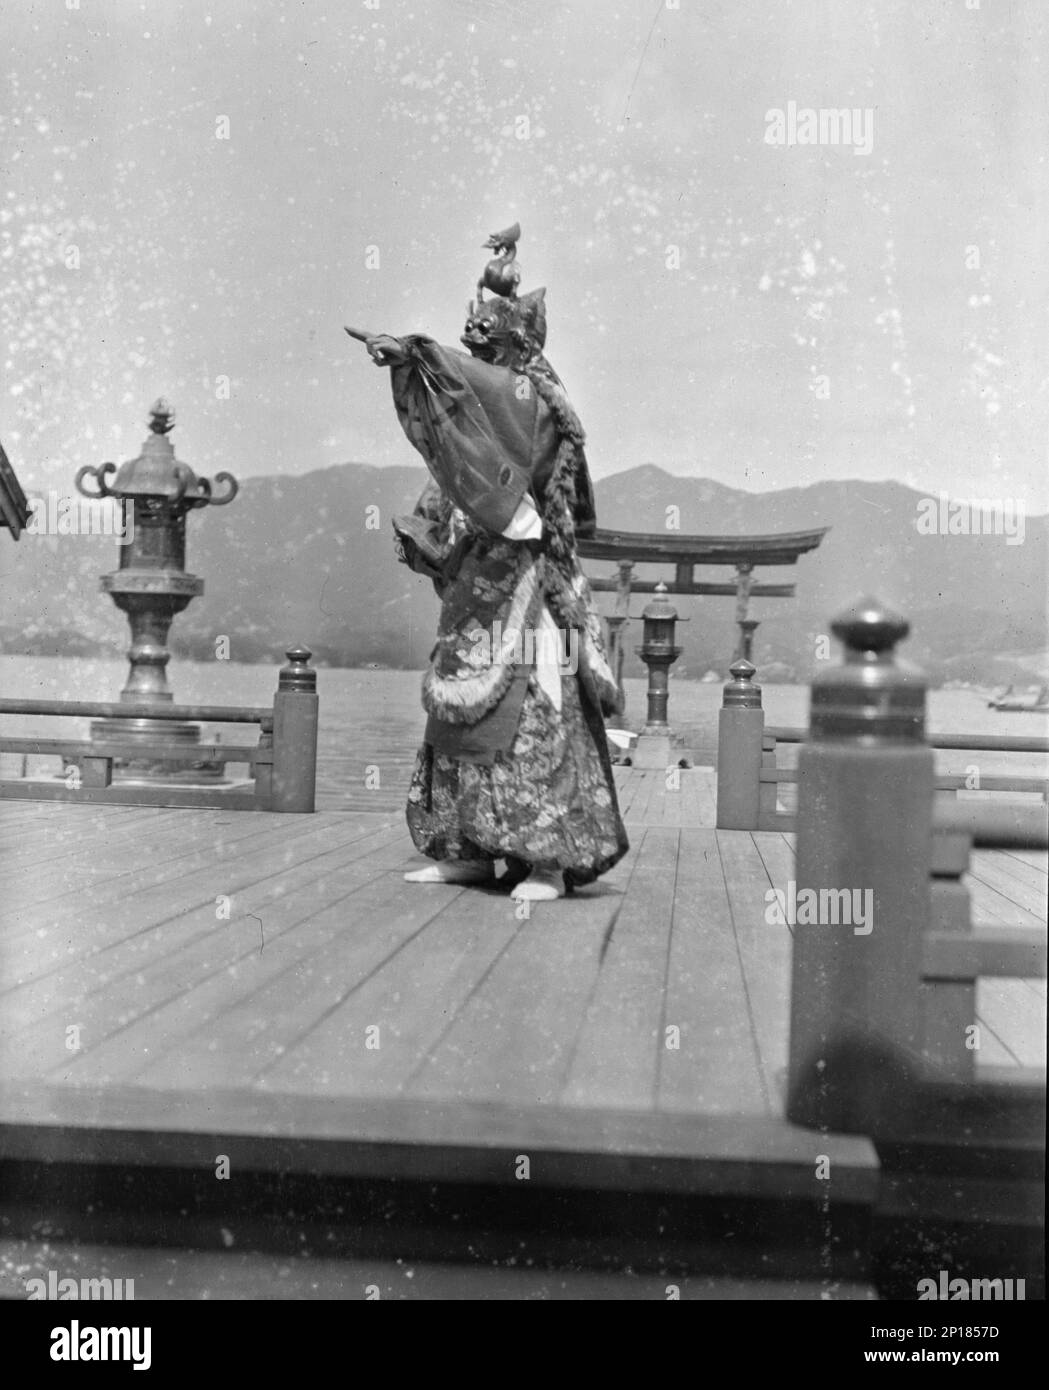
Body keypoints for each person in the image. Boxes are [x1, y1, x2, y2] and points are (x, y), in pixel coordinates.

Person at [355, 229, 628, 901]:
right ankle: (466, 848)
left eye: (484, 343)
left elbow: (475, 390)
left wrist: (414, 352)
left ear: (514, 347)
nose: (475, 352)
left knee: (536, 707)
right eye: (469, 342)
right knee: (456, 713)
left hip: (529, 579)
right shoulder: (486, 419)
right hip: (480, 577)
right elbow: (455, 471)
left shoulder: (532, 405)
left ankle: (546, 860)